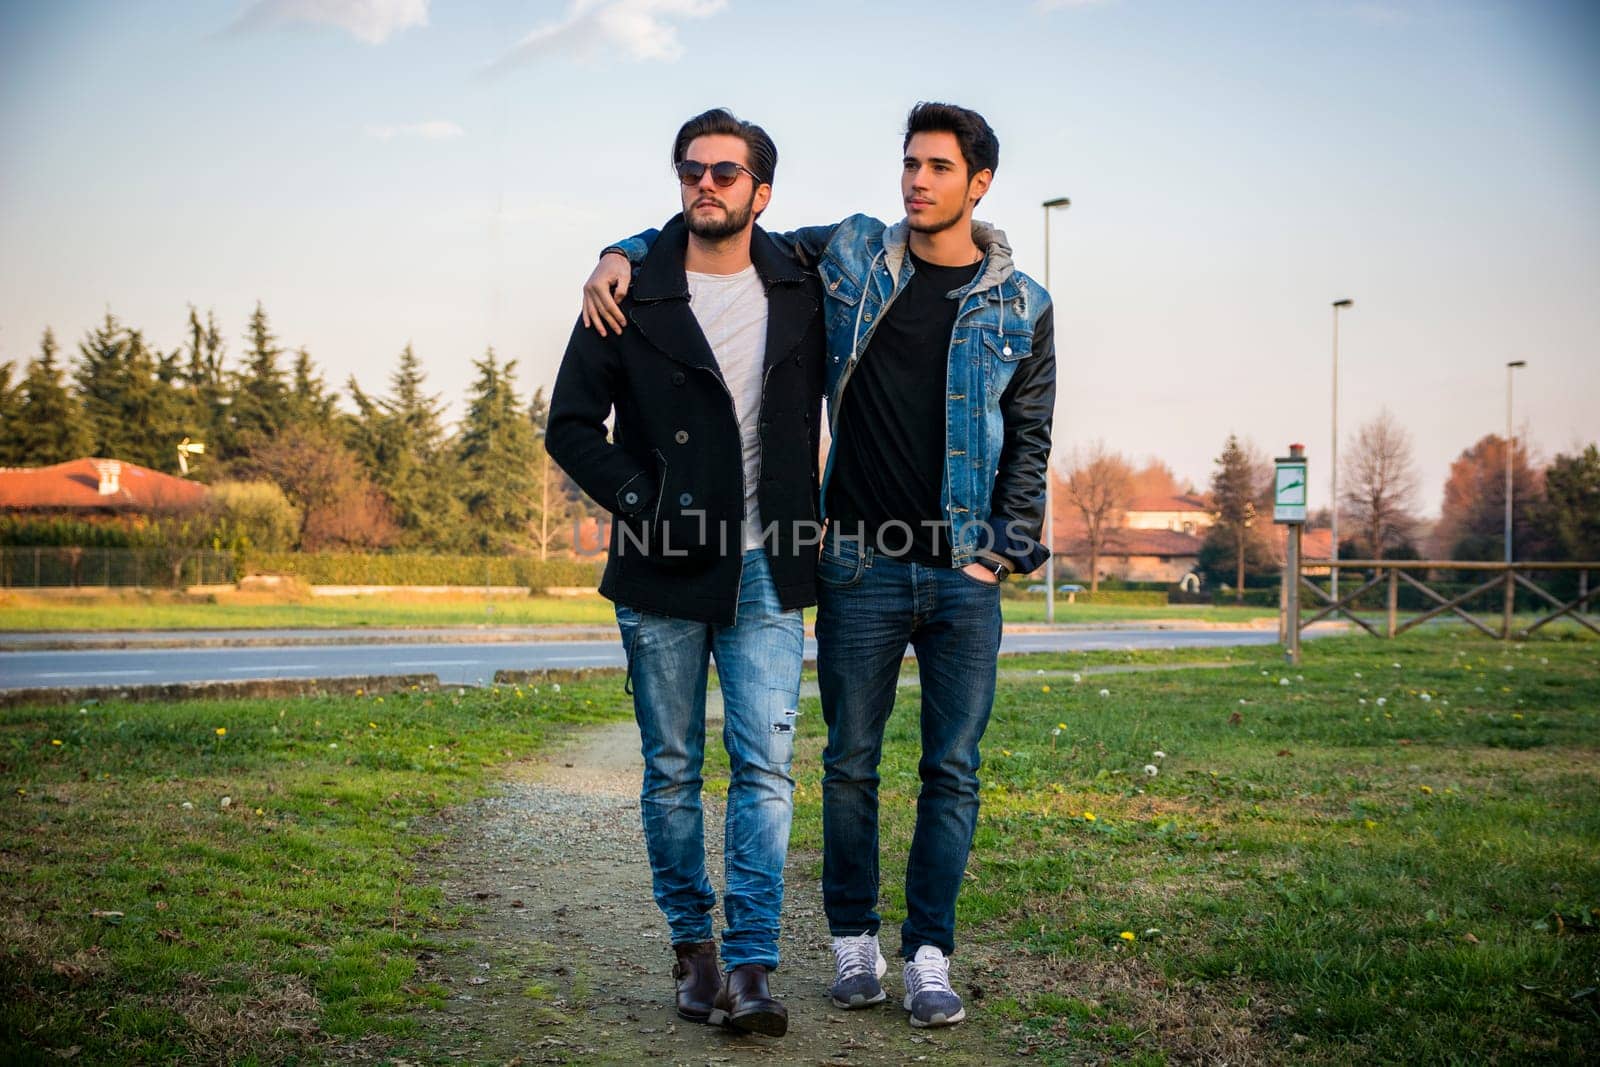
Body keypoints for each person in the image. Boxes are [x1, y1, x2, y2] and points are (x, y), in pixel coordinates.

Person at [580, 102, 1056, 1029]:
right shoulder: (848, 256)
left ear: (980, 184)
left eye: (938, 168)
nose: (917, 181)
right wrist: (620, 249)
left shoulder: (1023, 305)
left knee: (951, 771)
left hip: (963, 572)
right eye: (910, 164)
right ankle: (850, 944)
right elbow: (722, 223)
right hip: (853, 564)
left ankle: (928, 953)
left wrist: (1007, 545)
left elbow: (1030, 439)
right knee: (846, 764)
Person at [545, 107, 826, 1038]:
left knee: (768, 769)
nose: (706, 184)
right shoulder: (630, 292)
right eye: (692, 170)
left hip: (770, 566)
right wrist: (646, 504)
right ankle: (692, 952)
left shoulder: (803, 280)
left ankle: (751, 966)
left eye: (726, 172)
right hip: (662, 566)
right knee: (671, 770)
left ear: (762, 192)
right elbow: (571, 425)